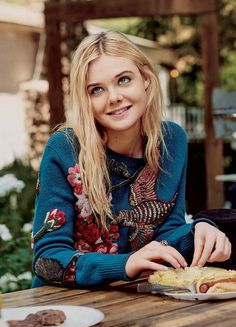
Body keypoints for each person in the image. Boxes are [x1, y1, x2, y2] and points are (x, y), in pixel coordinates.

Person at [32, 30, 231, 288]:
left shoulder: (171, 141)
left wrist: (200, 229)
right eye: (96, 90)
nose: (114, 97)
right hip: (68, 306)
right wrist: (126, 264)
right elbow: (47, 259)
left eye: (124, 80)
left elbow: (167, 235)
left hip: (137, 299)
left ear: (146, 79)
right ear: (85, 100)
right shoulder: (65, 147)